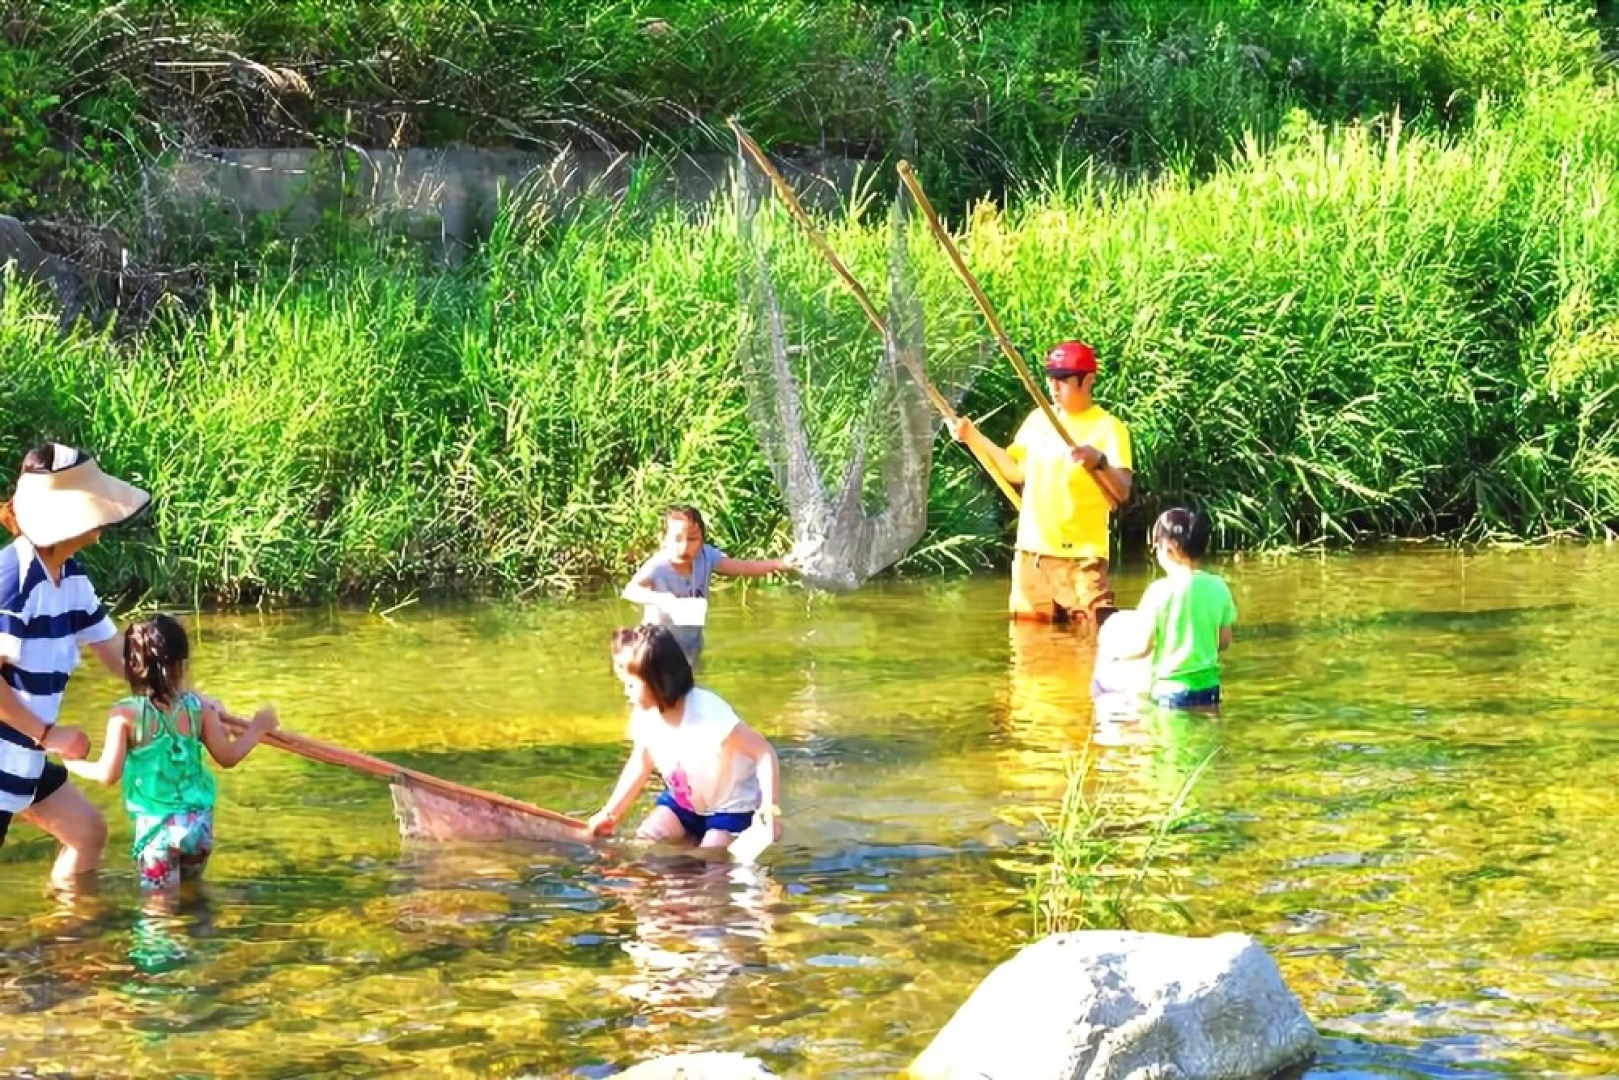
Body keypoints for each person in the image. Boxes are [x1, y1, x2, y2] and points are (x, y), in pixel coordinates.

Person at [0, 444, 150, 889]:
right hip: (12, 752)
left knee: (86, 833)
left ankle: (66, 943)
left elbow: (117, 654)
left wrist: (181, 697)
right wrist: (50, 735)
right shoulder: (13, 580)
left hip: (21, 755)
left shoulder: (71, 574)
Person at [63, 614, 279, 891]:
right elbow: (228, 756)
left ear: (131, 666)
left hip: (158, 832)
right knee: (193, 898)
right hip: (197, 827)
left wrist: (75, 764)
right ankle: (203, 929)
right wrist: (256, 729)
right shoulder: (198, 709)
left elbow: (108, 775)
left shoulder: (126, 714)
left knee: (158, 917)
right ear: (182, 664)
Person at [947, 340, 1133, 630]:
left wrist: (1098, 461)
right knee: (1029, 652)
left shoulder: (1108, 428)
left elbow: (1122, 490)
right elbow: (1015, 470)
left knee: (1093, 644)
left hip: (1082, 562)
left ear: (1088, 380)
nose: (1054, 388)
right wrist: (972, 437)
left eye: (1063, 380)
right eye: (1050, 380)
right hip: (1032, 559)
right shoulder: (1038, 421)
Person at [588, 624, 782, 853]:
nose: (626, 692)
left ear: (660, 681)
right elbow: (641, 763)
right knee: (645, 838)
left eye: (631, 684)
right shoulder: (645, 716)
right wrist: (611, 813)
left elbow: (763, 753)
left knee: (709, 857)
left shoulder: (709, 714)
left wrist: (769, 811)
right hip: (685, 805)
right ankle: (643, 884)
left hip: (731, 808)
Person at [622, 506, 799, 667]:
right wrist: (662, 599)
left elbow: (743, 567)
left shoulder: (707, 557)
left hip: (692, 644)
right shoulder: (658, 566)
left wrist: (780, 563)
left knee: (692, 690)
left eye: (692, 539)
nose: (684, 546)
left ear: (702, 540)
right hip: (658, 648)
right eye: (677, 539)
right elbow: (631, 590)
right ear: (663, 540)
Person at [1136, 508, 1236, 711]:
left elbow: (1142, 647)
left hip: (1170, 689)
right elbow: (1224, 642)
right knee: (1207, 739)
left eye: (1156, 547)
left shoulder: (1159, 591)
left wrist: (1116, 656)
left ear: (1170, 547)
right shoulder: (1219, 586)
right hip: (1210, 688)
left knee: (1172, 740)